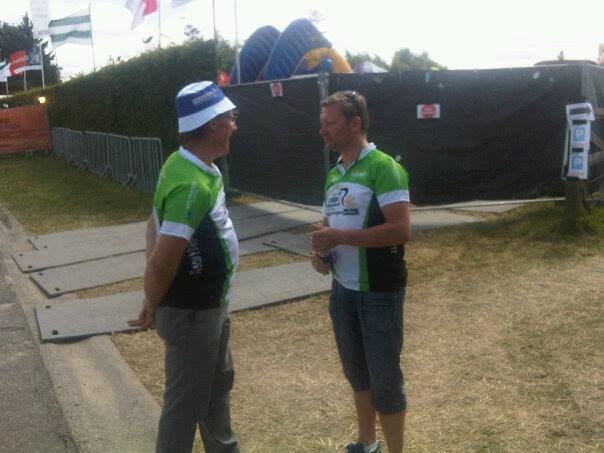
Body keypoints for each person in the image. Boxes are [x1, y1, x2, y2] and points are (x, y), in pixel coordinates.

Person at [128, 81, 240, 453]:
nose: (235, 125)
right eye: (230, 118)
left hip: (210, 306)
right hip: (193, 313)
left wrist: (152, 297)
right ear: (213, 124)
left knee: (217, 387)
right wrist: (152, 302)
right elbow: (163, 262)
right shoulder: (191, 184)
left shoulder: (186, 164)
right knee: (184, 406)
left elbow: (152, 222)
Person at [311, 90, 411, 453]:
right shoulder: (333, 175)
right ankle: (367, 444)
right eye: (321, 123)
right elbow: (327, 228)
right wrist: (320, 253)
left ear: (354, 124)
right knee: (357, 373)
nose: (322, 130)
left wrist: (341, 236)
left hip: (379, 292)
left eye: (329, 123)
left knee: (385, 380)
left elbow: (401, 230)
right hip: (343, 292)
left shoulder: (384, 167)